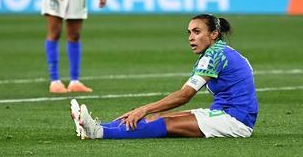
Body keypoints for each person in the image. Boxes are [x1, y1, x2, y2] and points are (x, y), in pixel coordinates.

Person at [70, 14, 258, 139]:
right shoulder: (219, 51)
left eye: (197, 32)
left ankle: (98, 132)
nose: (191, 37)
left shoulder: (214, 55)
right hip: (223, 114)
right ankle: (96, 126)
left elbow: (184, 95)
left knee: (165, 122)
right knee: (158, 115)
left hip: (235, 121)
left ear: (214, 34)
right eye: (189, 32)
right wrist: (148, 111)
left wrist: (144, 109)